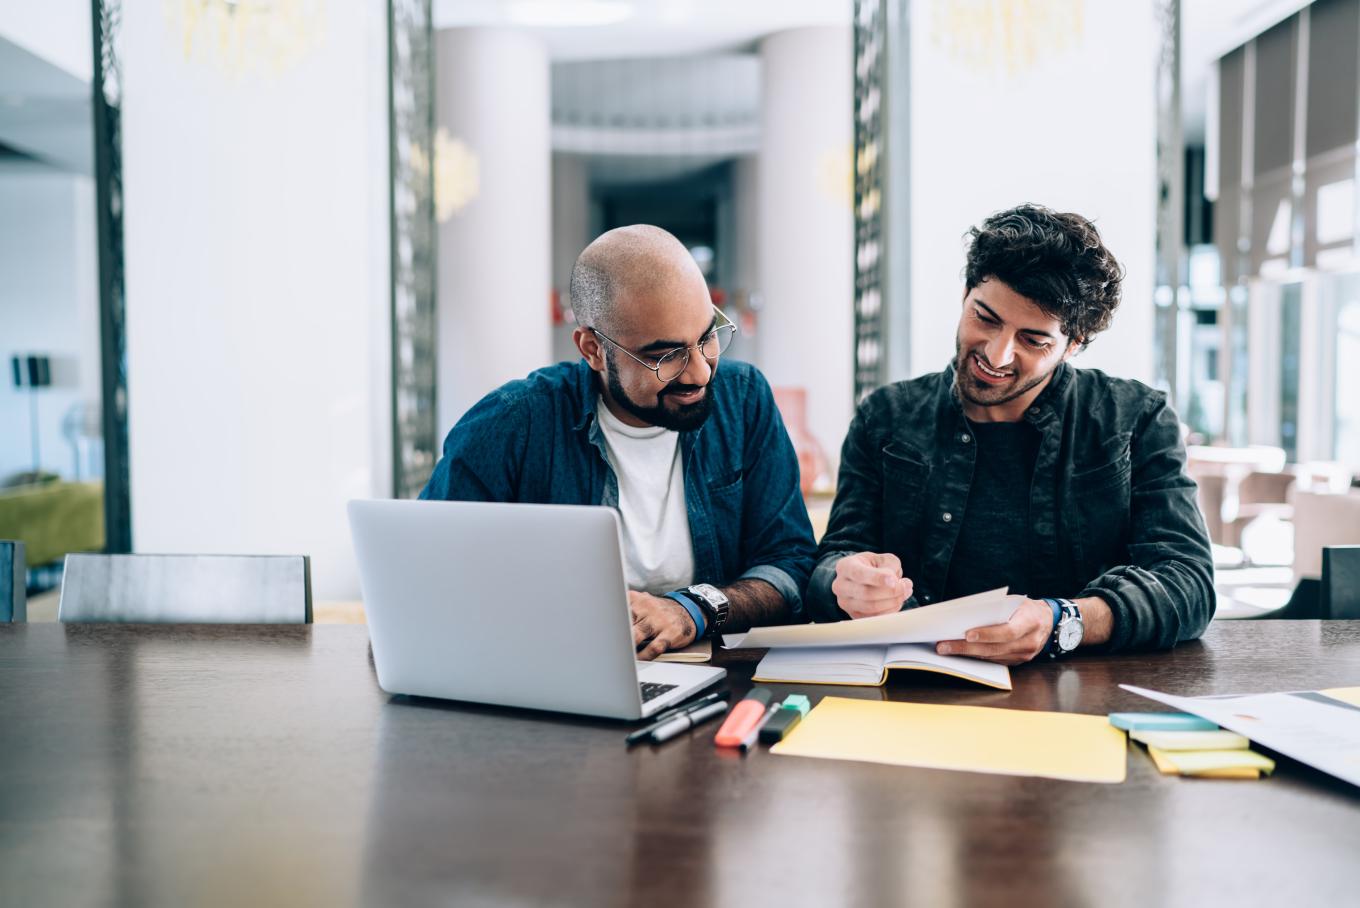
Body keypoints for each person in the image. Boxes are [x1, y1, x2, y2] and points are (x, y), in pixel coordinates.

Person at [807, 204, 1214, 663]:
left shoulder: (1135, 420)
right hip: (915, 694)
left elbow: (1188, 582)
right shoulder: (886, 417)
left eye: (1033, 341)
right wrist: (847, 582)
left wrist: (1063, 620)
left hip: (1079, 704)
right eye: (986, 318)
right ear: (965, 294)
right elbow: (830, 563)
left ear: (1071, 345)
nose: (997, 355)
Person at [422, 225, 816, 659]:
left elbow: (790, 563)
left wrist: (691, 610)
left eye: (707, 338)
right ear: (592, 349)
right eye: (665, 356)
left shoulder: (743, 400)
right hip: (553, 673)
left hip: (717, 683)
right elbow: (427, 581)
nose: (700, 373)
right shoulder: (511, 424)